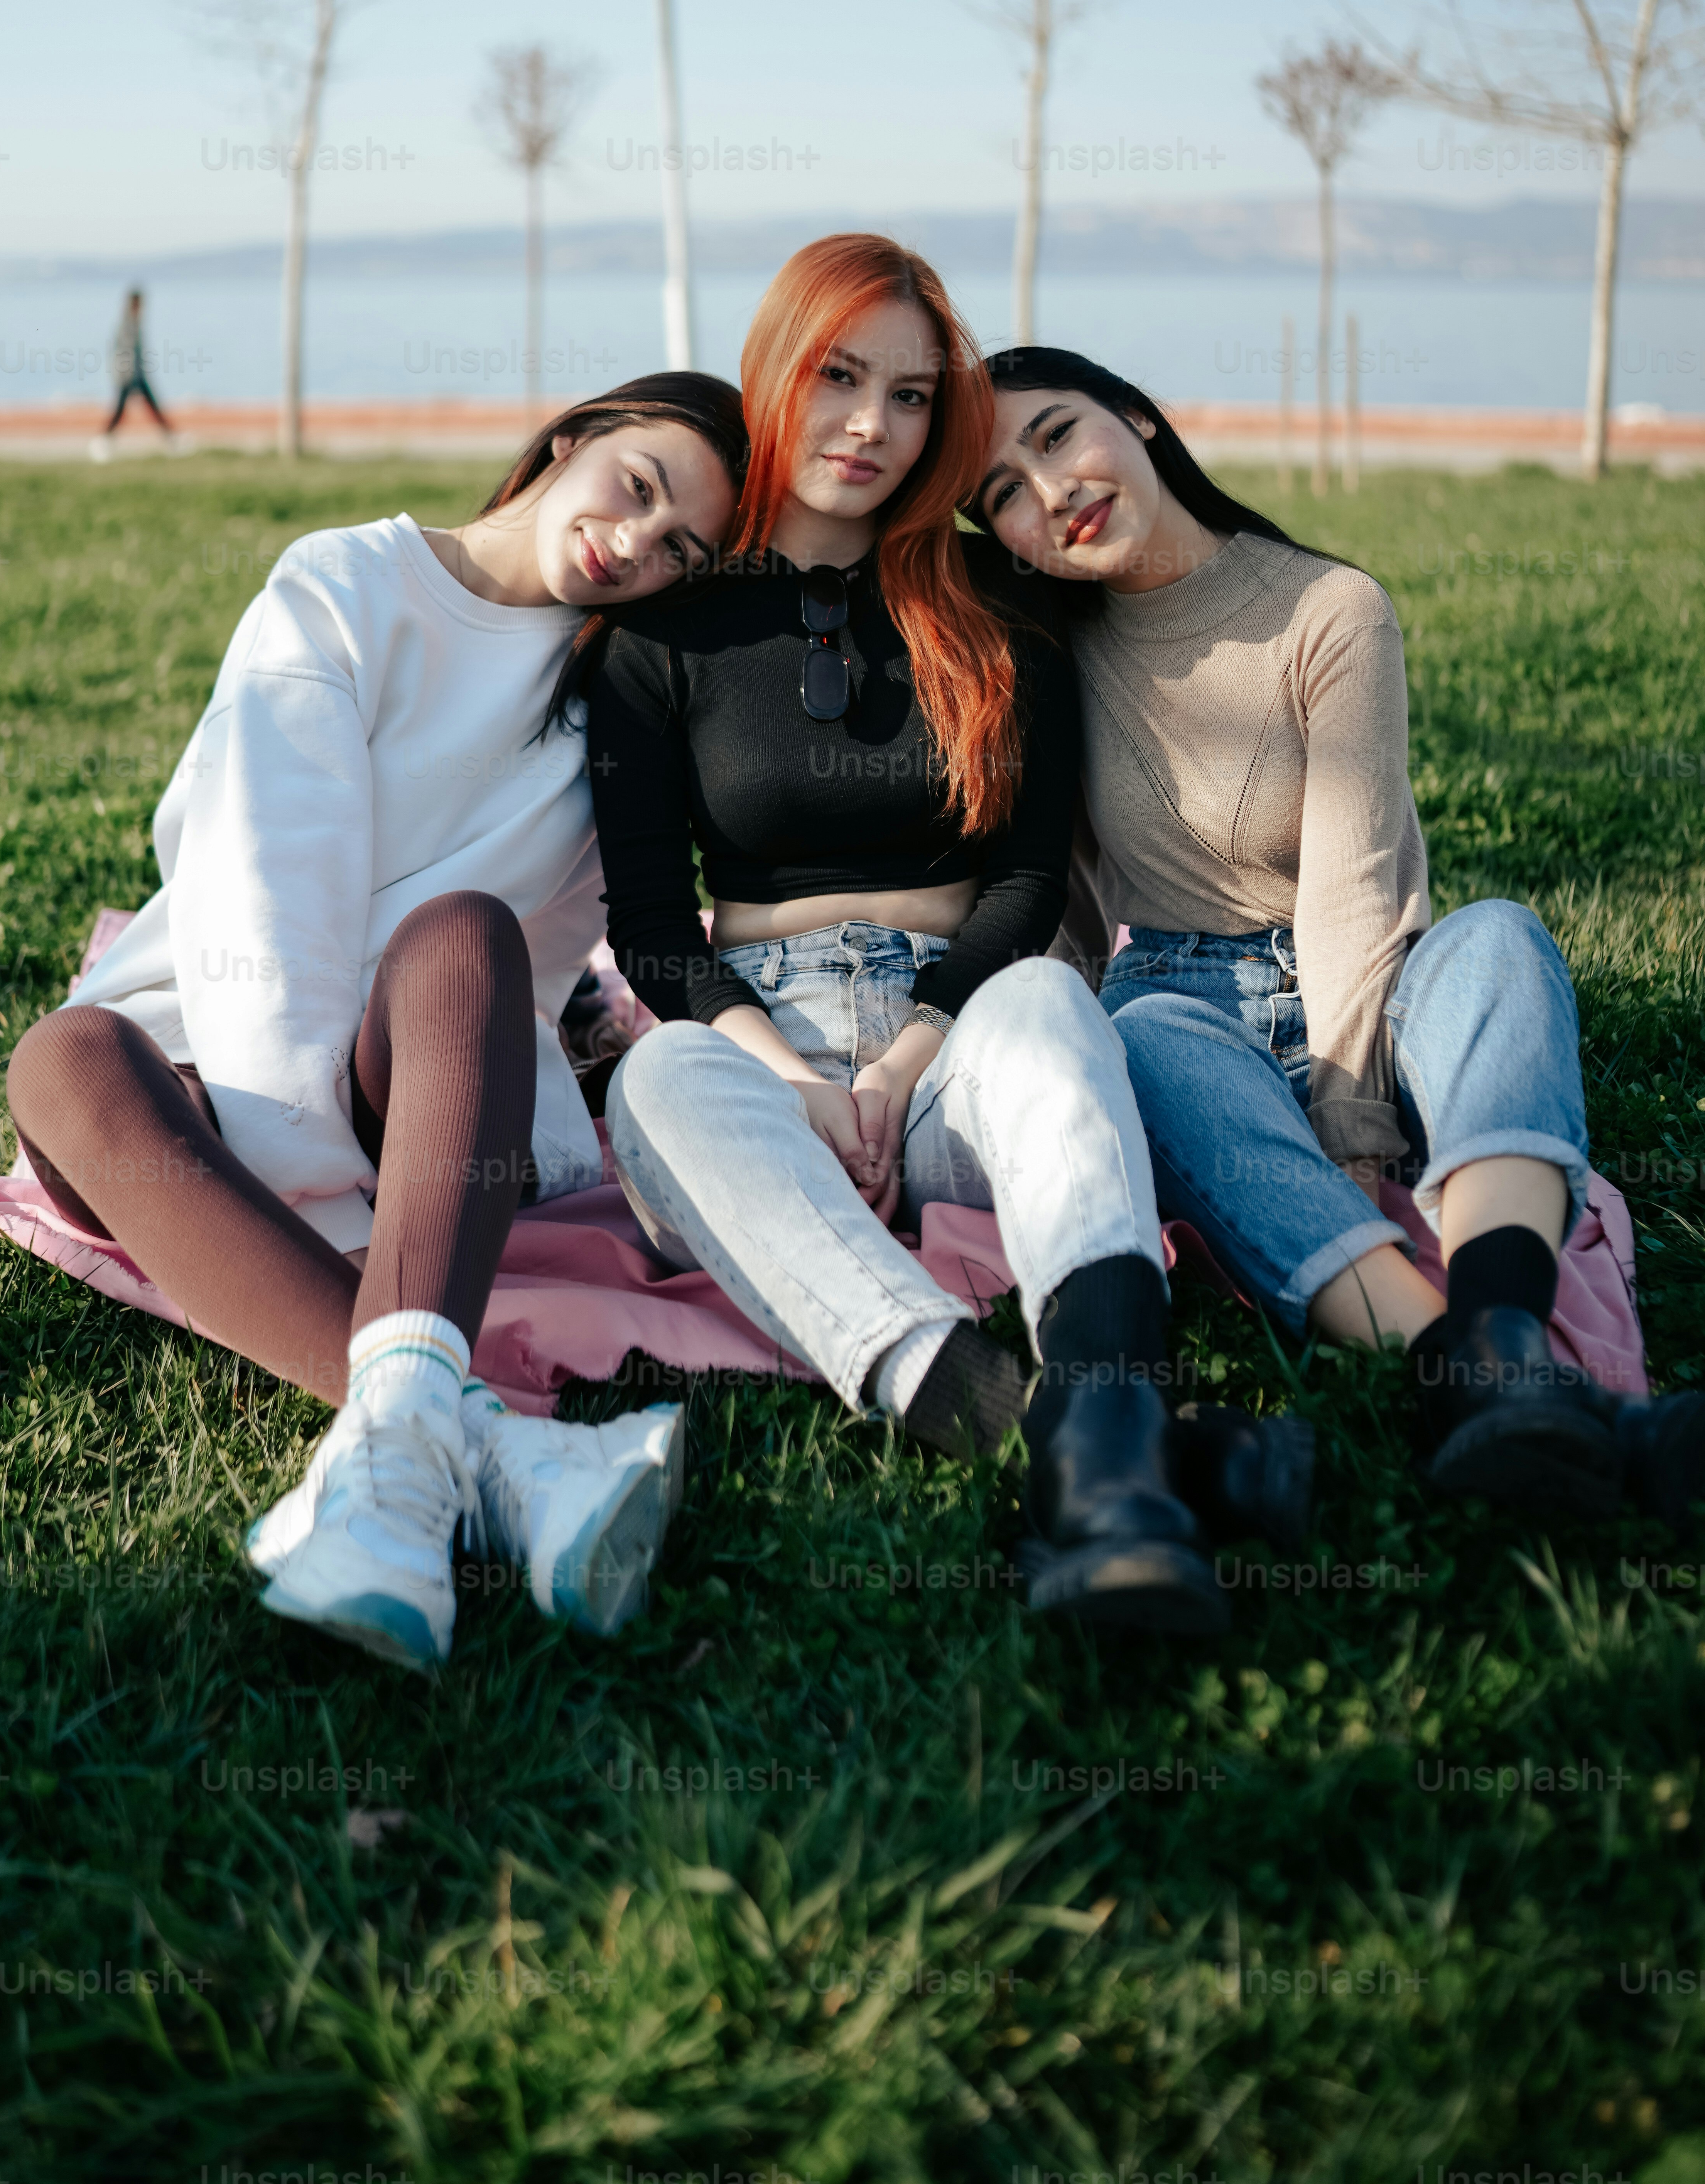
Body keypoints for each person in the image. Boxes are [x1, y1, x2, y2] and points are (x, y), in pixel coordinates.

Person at [589, 236, 1312, 1640]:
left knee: (1053, 1010)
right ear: (776, 371)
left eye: (912, 397)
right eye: (839, 377)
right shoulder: (660, 631)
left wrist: (905, 1060)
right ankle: (1066, 1441)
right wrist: (798, 1079)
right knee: (653, 1083)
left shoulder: (993, 601)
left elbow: (1026, 879)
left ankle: (1103, 1418)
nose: (870, 425)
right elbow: (650, 929)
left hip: (958, 1037)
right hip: (760, 1049)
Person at [6, 374, 748, 1669]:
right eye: (638, 485)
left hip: (410, 1083)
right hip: (208, 1050)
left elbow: (532, 977)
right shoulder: (348, 580)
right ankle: (495, 1445)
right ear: (571, 436)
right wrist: (315, 1180)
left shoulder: (612, 710)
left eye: (680, 546)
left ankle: (400, 1462)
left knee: (468, 931)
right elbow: (259, 877)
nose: (637, 543)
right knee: (63, 1057)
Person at [974, 343, 1705, 1528]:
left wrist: (1353, 1117)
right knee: (1142, 1029)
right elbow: (1054, 902)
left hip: (1365, 988)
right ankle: (1469, 1373)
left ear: (1141, 422)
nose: (1047, 490)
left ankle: (1503, 1327)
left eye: (1057, 435)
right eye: (1003, 488)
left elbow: (1355, 888)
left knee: (1501, 936)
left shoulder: (1327, 608)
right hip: (1183, 1012)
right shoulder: (1047, 652)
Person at [99, 289, 173, 440]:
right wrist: (126, 374)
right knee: (121, 410)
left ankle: (170, 436)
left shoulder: (134, 322)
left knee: (152, 407)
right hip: (129, 375)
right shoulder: (128, 324)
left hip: (137, 374)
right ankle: (105, 439)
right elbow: (124, 351)